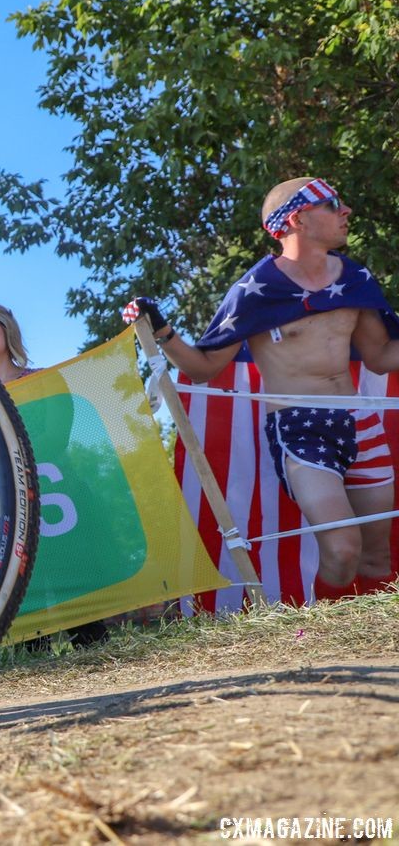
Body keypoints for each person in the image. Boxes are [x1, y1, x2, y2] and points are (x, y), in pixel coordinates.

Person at [127, 176, 399, 601]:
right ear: (297, 219)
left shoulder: (355, 278)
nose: (346, 212)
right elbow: (202, 368)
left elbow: (380, 356)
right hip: (299, 426)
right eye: (333, 205)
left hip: (360, 420)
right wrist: (160, 329)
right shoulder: (257, 290)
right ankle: (325, 642)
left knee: (378, 557)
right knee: (344, 551)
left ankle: (376, 650)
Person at [0, 302, 109, 649]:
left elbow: (55, 441)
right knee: (23, 612)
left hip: (59, 503)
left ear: (7, 329)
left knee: (80, 608)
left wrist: (0, 455)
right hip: (2, 510)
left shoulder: (46, 380)